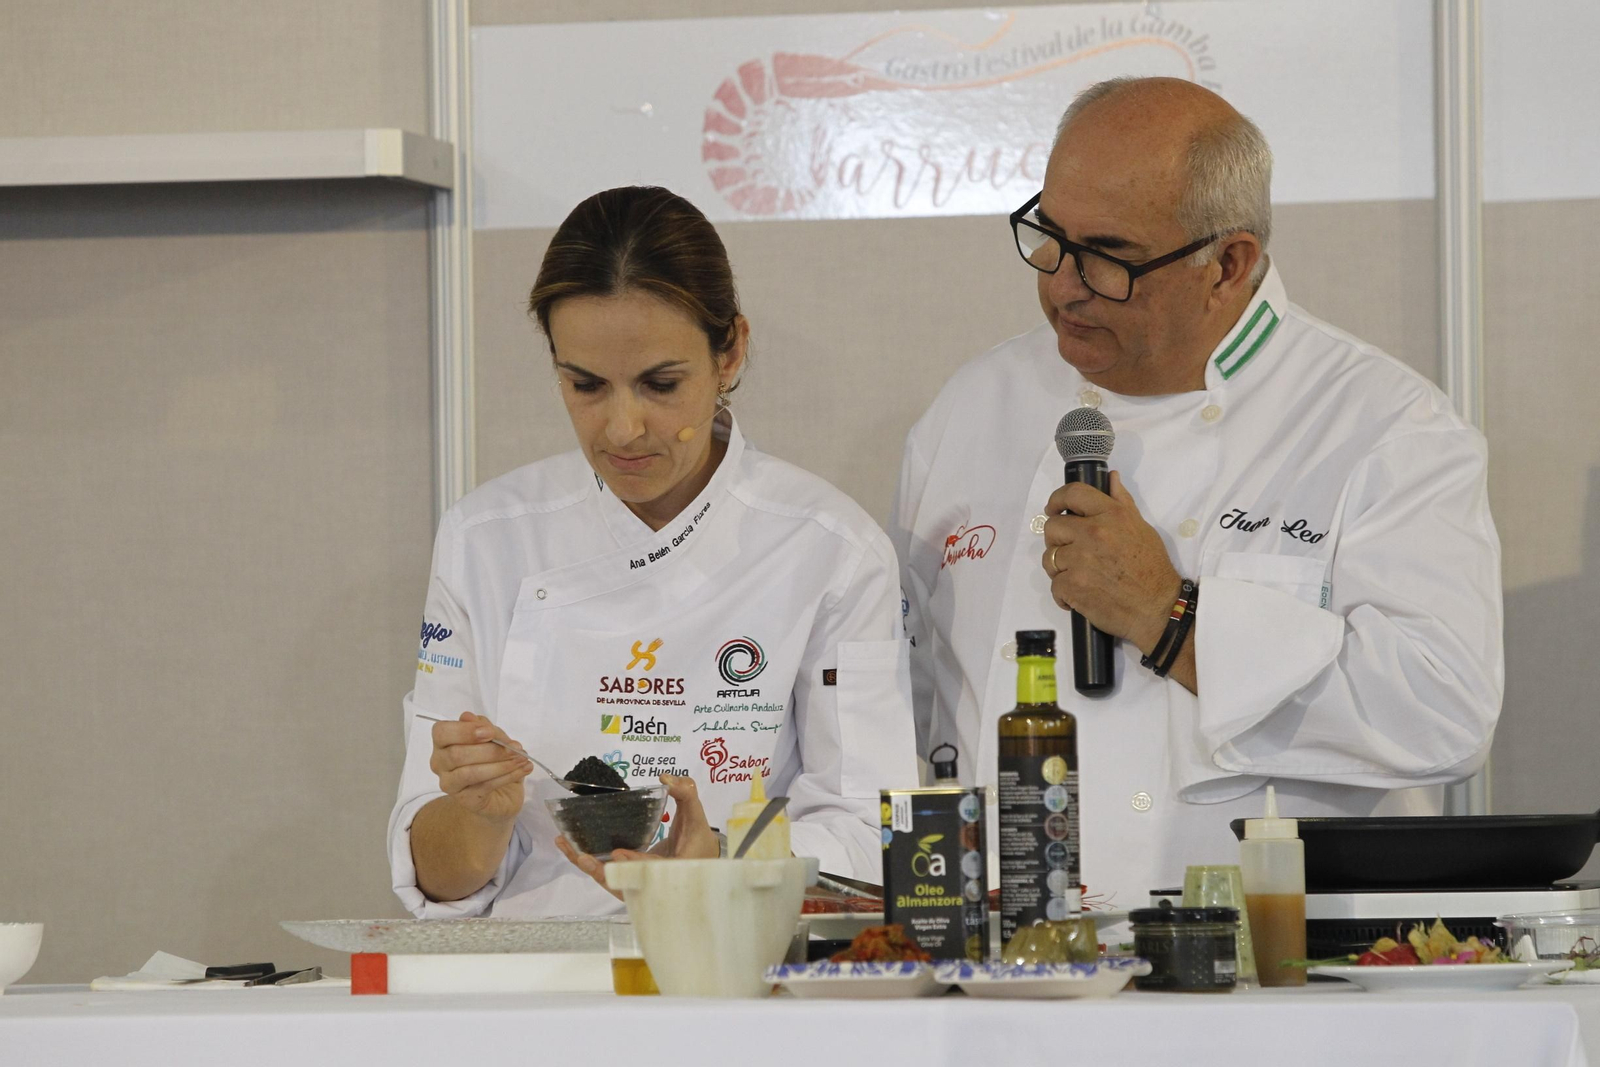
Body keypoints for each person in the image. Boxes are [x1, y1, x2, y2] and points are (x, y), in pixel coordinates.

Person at [890, 77, 1503, 908]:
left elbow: (1444, 711)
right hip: (1011, 972)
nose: (1062, 285)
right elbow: (917, 702)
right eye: (1050, 236)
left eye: (1108, 255)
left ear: (1229, 263)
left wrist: (1174, 618)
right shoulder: (973, 408)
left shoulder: (1383, 427)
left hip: (1267, 975)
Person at [389, 186, 916, 918]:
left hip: (735, 974)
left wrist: (721, 866)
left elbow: (873, 839)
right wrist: (480, 813)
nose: (624, 427)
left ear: (730, 350)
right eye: (586, 385)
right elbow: (440, 878)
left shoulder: (830, 549)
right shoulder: (487, 537)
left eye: (661, 384)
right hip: (529, 992)